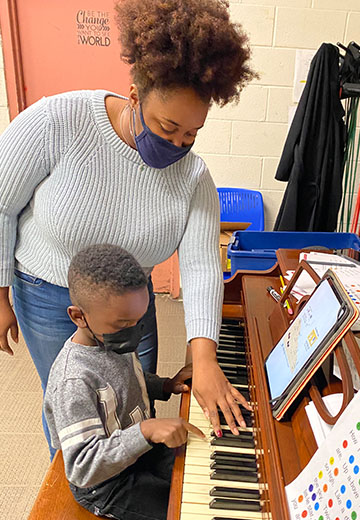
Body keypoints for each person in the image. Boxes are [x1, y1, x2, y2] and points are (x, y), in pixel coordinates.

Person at [0, 0, 256, 456]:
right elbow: (1, 204)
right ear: (135, 95)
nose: (177, 144)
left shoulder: (194, 178)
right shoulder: (57, 121)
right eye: (167, 127)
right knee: (73, 411)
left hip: (132, 305)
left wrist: (205, 356)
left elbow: (199, 268)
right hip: (50, 294)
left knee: (131, 401)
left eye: (191, 134)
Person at [44, 244, 203, 520]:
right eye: (122, 325)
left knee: (197, 475)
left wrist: (164, 385)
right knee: (183, 511)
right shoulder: (73, 381)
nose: (134, 333)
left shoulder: (112, 342)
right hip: (105, 484)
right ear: (78, 317)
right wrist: (145, 431)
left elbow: (126, 382)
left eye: (139, 321)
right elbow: (83, 467)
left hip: (139, 450)